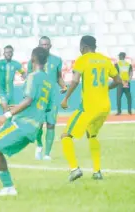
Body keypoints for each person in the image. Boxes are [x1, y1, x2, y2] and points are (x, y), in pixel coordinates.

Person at [0, 47, 53, 198]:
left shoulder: (32, 77)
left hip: (22, 124)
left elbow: (29, 100)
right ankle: (9, 188)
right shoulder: (48, 80)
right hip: (34, 127)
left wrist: (7, 114)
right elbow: (45, 106)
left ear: (33, 58)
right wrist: (18, 107)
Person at [60, 35, 122, 182]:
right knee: (92, 135)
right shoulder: (105, 60)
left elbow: (75, 80)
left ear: (83, 47)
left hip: (89, 107)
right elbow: (118, 80)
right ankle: (97, 172)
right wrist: (105, 88)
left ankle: (74, 169)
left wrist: (66, 98)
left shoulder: (82, 60)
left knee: (66, 136)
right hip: (105, 107)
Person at [27, 36, 67, 161]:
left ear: (50, 46)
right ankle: (39, 145)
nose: (44, 47)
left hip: (53, 97)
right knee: (38, 125)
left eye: (46, 44)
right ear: (39, 46)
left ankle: (47, 154)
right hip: (39, 97)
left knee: (51, 125)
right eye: (42, 45)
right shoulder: (33, 61)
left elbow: (58, 76)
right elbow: (30, 78)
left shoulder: (57, 60)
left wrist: (63, 86)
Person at [0, 45, 26, 113]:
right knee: (5, 108)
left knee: (12, 112)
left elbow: (24, 73)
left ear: (12, 53)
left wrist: (25, 78)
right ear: (3, 54)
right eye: (6, 52)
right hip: (1, 92)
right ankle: (5, 122)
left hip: (11, 93)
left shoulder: (16, 64)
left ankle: (8, 123)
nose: (8, 54)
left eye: (10, 52)